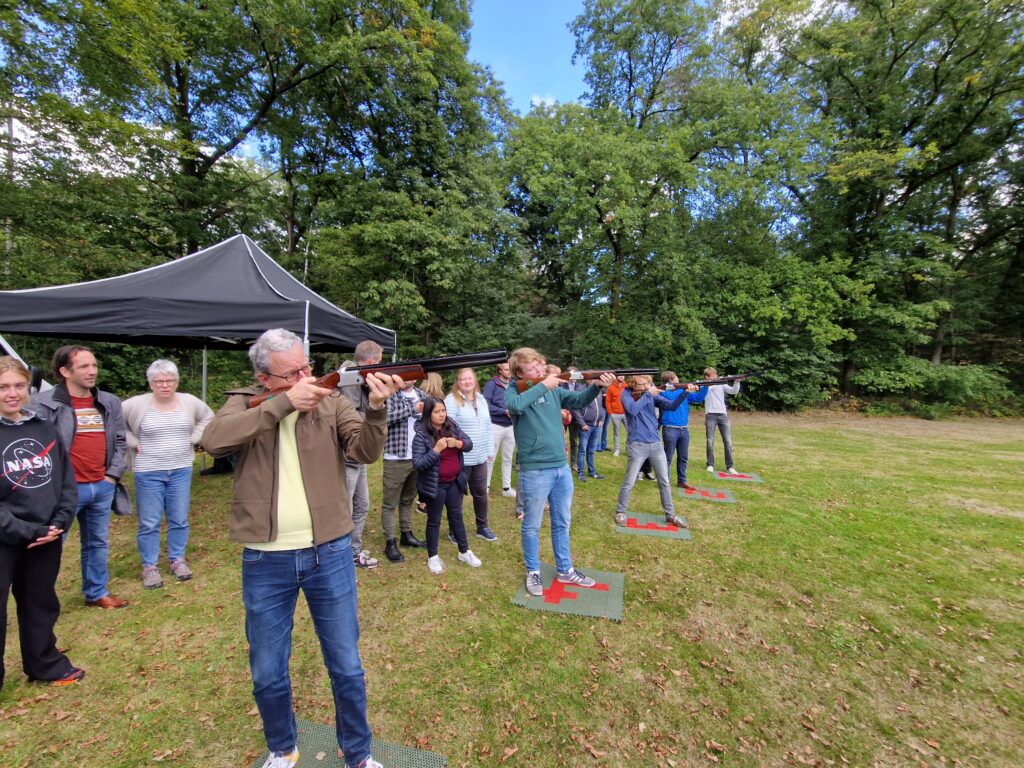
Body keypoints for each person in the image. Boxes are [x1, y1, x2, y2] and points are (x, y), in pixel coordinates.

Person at [202, 328, 400, 768]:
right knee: (269, 670)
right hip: (265, 557)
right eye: (292, 373)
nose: (305, 376)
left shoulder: (331, 401)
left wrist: (378, 408)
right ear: (264, 378)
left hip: (329, 552)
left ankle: (359, 753)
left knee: (346, 664)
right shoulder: (243, 401)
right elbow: (213, 440)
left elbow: (364, 451)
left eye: (306, 367)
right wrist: (284, 404)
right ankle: (282, 748)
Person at [0, 356, 84, 690]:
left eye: (19, 386)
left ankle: (44, 664)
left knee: (40, 603)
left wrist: (59, 522)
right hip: (7, 536)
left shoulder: (44, 426)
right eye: (3, 387)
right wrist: (26, 530)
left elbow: (65, 481)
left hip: (45, 536)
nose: (12, 393)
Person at [504, 347, 615, 597]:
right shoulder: (515, 389)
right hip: (534, 469)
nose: (540, 370)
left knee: (562, 521)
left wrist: (597, 386)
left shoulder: (553, 389)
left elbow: (577, 401)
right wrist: (544, 385)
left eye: (540, 366)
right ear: (519, 372)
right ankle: (533, 571)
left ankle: (565, 569)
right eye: (533, 368)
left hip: (560, 466)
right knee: (531, 525)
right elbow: (515, 405)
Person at [32, 346, 129, 609]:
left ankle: (96, 592)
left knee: (97, 543)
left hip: (101, 485)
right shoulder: (43, 404)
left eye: (94, 365)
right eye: (84, 366)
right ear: (65, 371)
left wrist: (112, 476)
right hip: (64, 491)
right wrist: (55, 486)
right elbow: (36, 448)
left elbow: (121, 441)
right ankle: (39, 599)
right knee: (51, 546)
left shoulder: (109, 402)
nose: (92, 371)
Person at [122, 359, 213, 589]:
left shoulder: (189, 401)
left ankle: (177, 560)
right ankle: (150, 567)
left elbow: (208, 416)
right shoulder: (135, 404)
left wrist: (194, 438)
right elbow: (114, 423)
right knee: (150, 522)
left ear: (176, 381)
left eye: (169, 380)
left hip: (180, 469)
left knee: (179, 518)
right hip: (148, 470)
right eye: (159, 381)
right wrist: (132, 441)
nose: (164, 385)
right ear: (151, 383)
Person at [411, 398, 482, 574]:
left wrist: (459, 444)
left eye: (443, 410)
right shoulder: (421, 434)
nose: (442, 414)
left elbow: (469, 443)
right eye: (437, 412)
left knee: (456, 516)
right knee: (434, 520)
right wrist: (436, 450)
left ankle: (464, 551)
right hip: (435, 485)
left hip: (455, 481)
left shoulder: (452, 425)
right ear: (428, 413)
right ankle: (433, 557)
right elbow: (418, 464)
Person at [615, 374, 693, 528]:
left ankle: (670, 515)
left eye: (647, 384)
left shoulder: (650, 395)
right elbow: (632, 410)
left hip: (656, 444)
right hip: (637, 444)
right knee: (629, 481)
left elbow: (671, 406)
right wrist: (648, 394)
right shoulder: (626, 393)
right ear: (632, 385)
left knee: (664, 481)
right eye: (642, 384)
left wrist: (686, 392)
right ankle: (621, 511)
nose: (645, 386)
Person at [338, 340, 387, 569]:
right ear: (371, 361)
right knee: (344, 508)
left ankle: (354, 551)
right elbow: (349, 417)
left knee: (362, 504)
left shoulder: (361, 380)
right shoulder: (347, 378)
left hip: (359, 454)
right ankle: (339, 555)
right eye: (380, 360)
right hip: (348, 454)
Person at [444, 368, 496, 542]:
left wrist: (490, 449)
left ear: (474, 380)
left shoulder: (481, 399)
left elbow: (488, 426)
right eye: (463, 379)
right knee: (456, 495)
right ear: (458, 382)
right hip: (461, 457)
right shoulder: (451, 401)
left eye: (470, 378)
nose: (467, 382)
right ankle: (453, 530)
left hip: (480, 457)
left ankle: (482, 527)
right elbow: (448, 428)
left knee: (480, 492)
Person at [380, 377, 428, 563]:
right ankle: (390, 542)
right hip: (395, 456)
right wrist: (413, 409)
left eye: (410, 376)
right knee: (390, 503)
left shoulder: (423, 395)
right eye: (404, 376)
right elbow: (385, 418)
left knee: (408, 499)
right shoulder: (390, 395)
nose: (407, 379)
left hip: (417, 456)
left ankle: (406, 535)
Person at [658, 371, 707, 490]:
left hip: (683, 429)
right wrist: (685, 390)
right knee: (668, 457)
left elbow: (698, 398)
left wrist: (705, 386)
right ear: (670, 380)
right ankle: (665, 482)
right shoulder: (664, 392)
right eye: (676, 378)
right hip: (670, 428)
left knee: (683, 457)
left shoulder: (683, 391)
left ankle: (682, 481)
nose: (678, 379)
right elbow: (672, 399)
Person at [482, 362, 516, 497]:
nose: (509, 372)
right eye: (507, 369)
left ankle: (506, 488)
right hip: (495, 425)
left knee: (508, 458)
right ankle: (485, 486)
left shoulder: (515, 384)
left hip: (511, 426)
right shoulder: (492, 385)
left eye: (510, 369)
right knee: (490, 457)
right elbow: (485, 405)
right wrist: (503, 411)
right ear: (500, 371)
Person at [704, 367, 741, 474]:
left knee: (728, 442)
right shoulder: (706, 385)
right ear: (707, 377)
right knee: (710, 441)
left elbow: (733, 391)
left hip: (723, 415)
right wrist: (717, 380)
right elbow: (709, 388)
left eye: (715, 375)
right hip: (710, 415)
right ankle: (710, 464)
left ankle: (730, 466)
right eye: (712, 375)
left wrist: (736, 382)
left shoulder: (721, 384)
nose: (715, 376)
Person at [571, 388, 605, 481]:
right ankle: (580, 472)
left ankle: (592, 472)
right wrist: (582, 423)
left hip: (596, 426)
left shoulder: (599, 391)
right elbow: (575, 408)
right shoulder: (581, 390)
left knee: (591, 451)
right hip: (586, 427)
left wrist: (602, 419)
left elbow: (601, 406)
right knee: (582, 450)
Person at [605, 375, 628, 456]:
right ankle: (617, 450)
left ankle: (628, 449)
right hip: (615, 414)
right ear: (616, 377)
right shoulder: (611, 388)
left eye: (623, 375)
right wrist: (610, 412)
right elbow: (607, 401)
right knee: (616, 433)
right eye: (620, 375)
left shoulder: (627, 386)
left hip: (626, 414)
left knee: (630, 432)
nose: (622, 377)